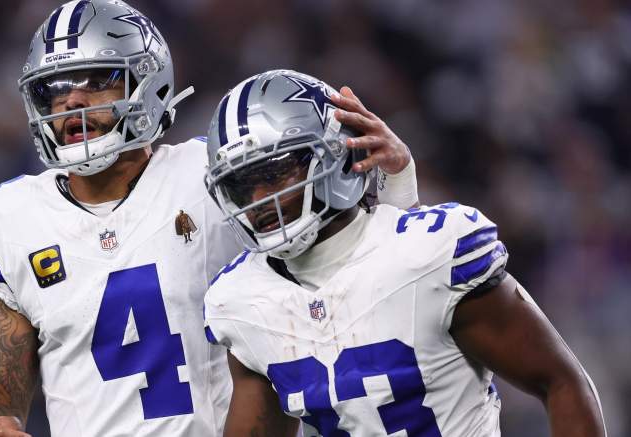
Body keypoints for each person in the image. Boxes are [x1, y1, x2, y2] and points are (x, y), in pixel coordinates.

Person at [0, 2, 420, 437]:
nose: (71, 102)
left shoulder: (217, 176)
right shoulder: (10, 220)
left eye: (96, 80)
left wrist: (397, 181)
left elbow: (361, 270)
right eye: (55, 88)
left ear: (147, 82)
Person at [203, 70, 607, 437]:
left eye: (275, 173)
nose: (258, 200)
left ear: (335, 152)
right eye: (241, 185)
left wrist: (400, 186)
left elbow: (562, 383)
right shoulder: (242, 301)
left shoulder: (430, 254)